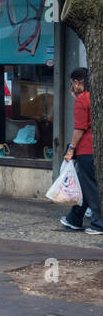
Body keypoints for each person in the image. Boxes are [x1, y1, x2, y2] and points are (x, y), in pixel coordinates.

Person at [61, 67, 102, 234]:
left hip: (86, 148)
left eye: (72, 83)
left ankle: (99, 223)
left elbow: (79, 128)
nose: (72, 87)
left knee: (90, 186)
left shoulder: (82, 100)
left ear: (77, 82)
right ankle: (74, 218)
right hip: (96, 147)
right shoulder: (96, 97)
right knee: (85, 184)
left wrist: (71, 149)